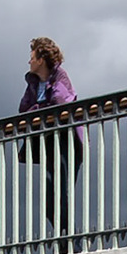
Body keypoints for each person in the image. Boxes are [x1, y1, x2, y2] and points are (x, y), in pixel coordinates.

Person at [19, 37, 83, 242]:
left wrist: (37, 110)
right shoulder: (33, 82)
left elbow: (59, 102)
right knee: (49, 201)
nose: (29, 62)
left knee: (62, 194)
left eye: (32, 58)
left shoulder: (60, 76)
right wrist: (38, 109)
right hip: (47, 143)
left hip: (66, 142)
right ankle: (66, 239)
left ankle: (69, 243)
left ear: (42, 59)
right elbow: (22, 111)